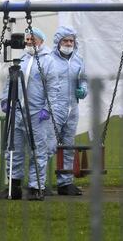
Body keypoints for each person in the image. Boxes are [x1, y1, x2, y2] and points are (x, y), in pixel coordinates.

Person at [0, 27, 59, 200]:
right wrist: (5, 100)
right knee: (14, 148)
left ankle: (35, 187)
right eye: (28, 39)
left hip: (36, 113)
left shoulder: (48, 61)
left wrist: (48, 108)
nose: (30, 42)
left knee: (37, 150)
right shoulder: (21, 60)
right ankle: (14, 186)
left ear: (41, 41)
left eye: (33, 39)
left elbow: (53, 88)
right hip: (17, 111)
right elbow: (10, 82)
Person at [48, 25, 88, 196]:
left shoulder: (78, 60)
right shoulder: (49, 60)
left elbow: (84, 80)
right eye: (65, 40)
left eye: (71, 40)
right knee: (48, 145)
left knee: (68, 146)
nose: (68, 43)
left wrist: (83, 90)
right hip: (54, 107)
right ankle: (39, 182)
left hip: (72, 108)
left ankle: (65, 183)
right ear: (58, 41)